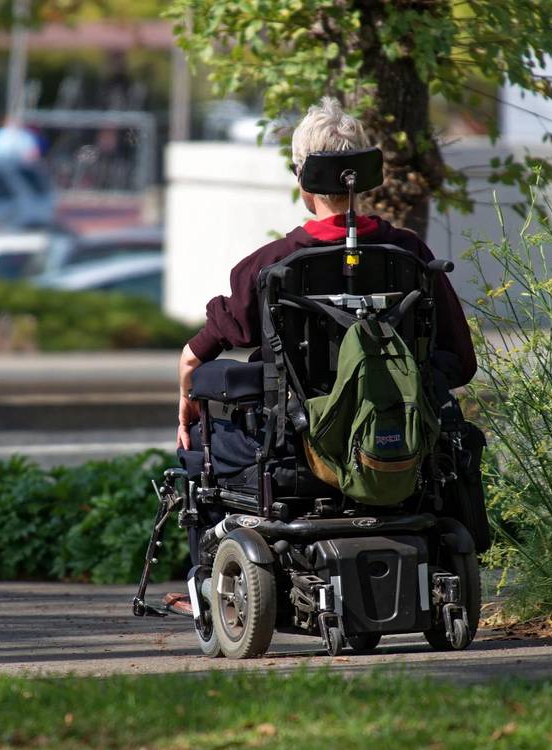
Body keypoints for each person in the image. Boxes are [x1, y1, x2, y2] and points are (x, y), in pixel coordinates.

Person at [162, 97, 477, 616]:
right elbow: (460, 362)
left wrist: (186, 396)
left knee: (202, 436)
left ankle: (203, 586)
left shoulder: (271, 266)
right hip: (397, 443)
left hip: (298, 445)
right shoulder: (411, 258)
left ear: (302, 178)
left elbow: (194, 360)